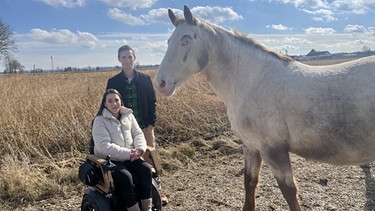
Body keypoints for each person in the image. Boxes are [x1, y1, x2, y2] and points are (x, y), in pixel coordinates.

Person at [106, 45, 168, 205]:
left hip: (145, 127)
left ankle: (157, 193)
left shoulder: (145, 79)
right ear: (119, 59)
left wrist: (151, 124)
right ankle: (133, 194)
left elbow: (152, 102)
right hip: (124, 129)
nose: (127, 60)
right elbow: (111, 105)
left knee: (150, 161)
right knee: (129, 159)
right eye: (124, 57)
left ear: (134, 58)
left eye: (130, 57)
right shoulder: (113, 82)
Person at [92, 88, 152, 211]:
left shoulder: (128, 115)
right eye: (110, 101)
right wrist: (129, 153)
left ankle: (147, 208)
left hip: (131, 156)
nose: (114, 104)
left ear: (121, 101)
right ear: (105, 104)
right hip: (110, 160)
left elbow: (138, 134)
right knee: (126, 177)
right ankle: (133, 209)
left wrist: (140, 149)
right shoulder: (99, 120)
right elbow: (104, 146)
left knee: (146, 169)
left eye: (116, 100)